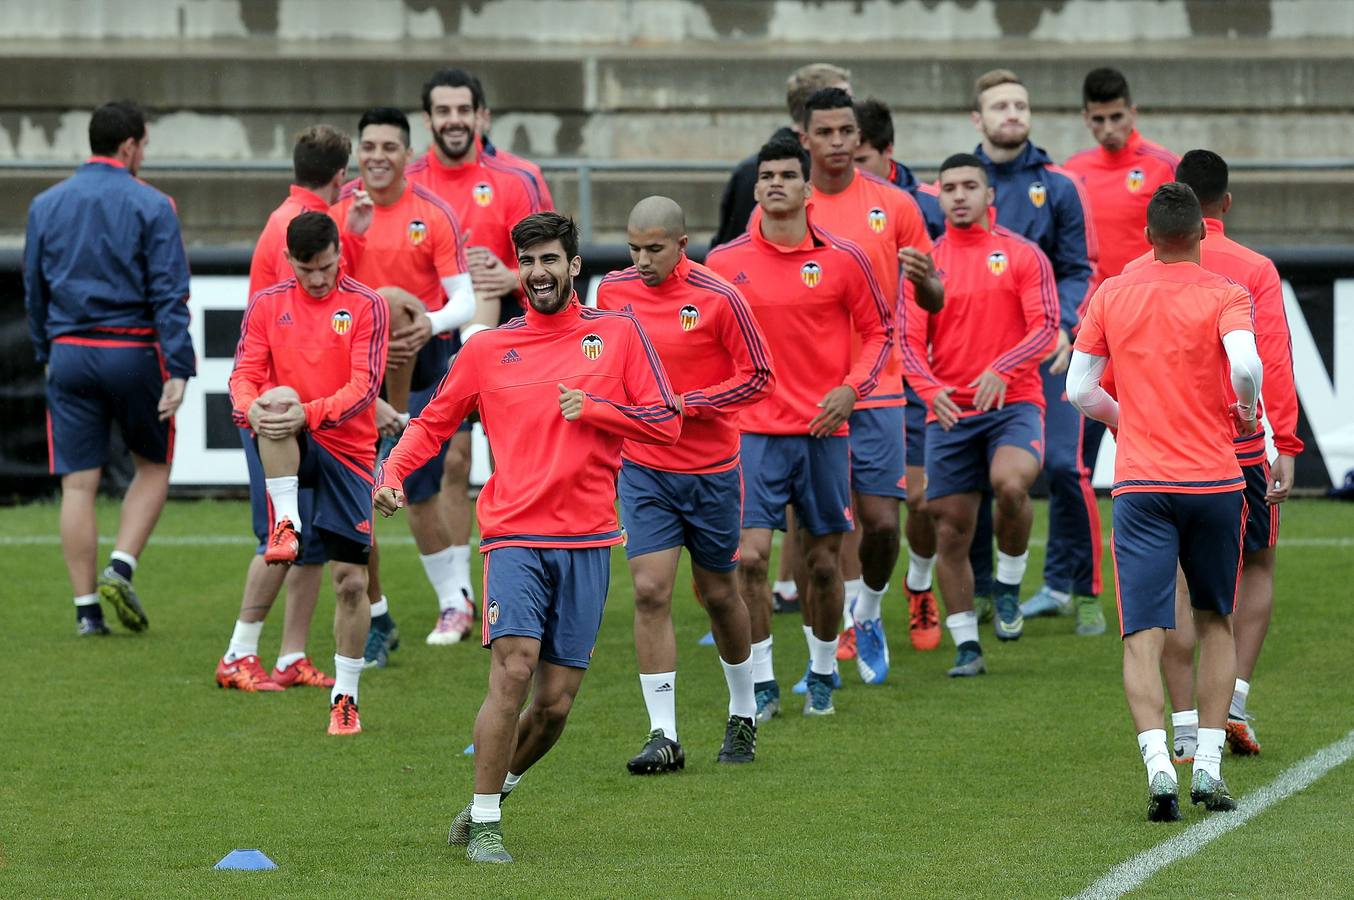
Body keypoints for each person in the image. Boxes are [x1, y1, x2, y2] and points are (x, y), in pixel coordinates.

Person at [376, 212, 679, 863]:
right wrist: (393, 470)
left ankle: (496, 789)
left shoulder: (618, 336)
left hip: (589, 541)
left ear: (574, 267)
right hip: (512, 533)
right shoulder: (486, 349)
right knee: (512, 667)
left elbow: (665, 424)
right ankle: (486, 825)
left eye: (549, 260)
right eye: (528, 262)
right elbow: (431, 424)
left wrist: (596, 409)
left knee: (554, 708)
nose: (538, 273)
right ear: (517, 271)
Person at [1068, 181, 1260, 821]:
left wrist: (1124, 419)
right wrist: (1245, 409)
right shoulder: (1226, 293)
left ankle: (1159, 768)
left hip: (1142, 482)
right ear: (1203, 234)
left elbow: (1078, 390)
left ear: (1147, 238)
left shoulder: (1113, 293)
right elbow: (1246, 366)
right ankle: (1208, 765)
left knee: (1141, 633)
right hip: (1213, 479)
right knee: (1214, 621)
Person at [705, 135, 892, 719]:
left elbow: (880, 334)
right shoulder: (723, 263)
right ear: (756, 188)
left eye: (788, 174)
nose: (776, 183)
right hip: (752, 435)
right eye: (767, 176)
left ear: (808, 190)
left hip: (821, 433)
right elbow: (705, 343)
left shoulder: (843, 258)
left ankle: (819, 671)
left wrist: (851, 388)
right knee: (752, 560)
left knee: (821, 563)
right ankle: (761, 681)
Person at [1127, 151, 1302, 761]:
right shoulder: (1252, 269)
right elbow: (1268, 360)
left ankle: (1179, 723)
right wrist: (1283, 441)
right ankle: (1231, 703)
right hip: (1237, 443)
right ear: (1222, 206)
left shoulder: (1131, 273)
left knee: (1175, 581)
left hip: (1157, 447)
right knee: (1255, 565)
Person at [597, 196, 775, 772]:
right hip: (645, 468)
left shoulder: (720, 297)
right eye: (633, 248)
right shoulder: (613, 294)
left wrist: (690, 404)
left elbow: (759, 378)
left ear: (683, 243)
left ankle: (743, 713)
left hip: (712, 472)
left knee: (721, 594)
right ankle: (663, 735)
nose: (641, 260)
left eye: (654, 249)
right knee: (650, 591)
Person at [24, 100, 194, 636]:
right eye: (144, 145)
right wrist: (179, 367)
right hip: (133, 351)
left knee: (78, 483)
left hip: (69, 351)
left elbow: (34, 288)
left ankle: (85, 612)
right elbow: (170, 293)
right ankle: (120, 567)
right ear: (129, 147)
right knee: (154, 466)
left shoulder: (45, 204)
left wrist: (45, 350)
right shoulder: (153, 204)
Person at [216, 124, 375, 692]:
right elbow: (301, 323)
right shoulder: (296, 231)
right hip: (282, 418)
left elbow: (333, 302)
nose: (317, 275)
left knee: (304, 546)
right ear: (338, 175)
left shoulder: (301, 222)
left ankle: (290, 656)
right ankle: (239, 652)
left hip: (312, 414)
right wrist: (257, 410)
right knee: (279, 544)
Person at [795, 87, 943, 685]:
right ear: (805, 138)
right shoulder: (787, 208)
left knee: (882, 522)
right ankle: (819, 662)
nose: (836, 142)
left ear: (860, 138)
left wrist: (927, 279)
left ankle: (871, 611)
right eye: (824, 132)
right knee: (818, 533)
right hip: (809, 393)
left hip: (879, 384)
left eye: (845, 132)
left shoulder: (894, 205)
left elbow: (933, 297)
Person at [1021, 68, 1179, 625]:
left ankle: (1172, 585)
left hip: (1148, 339)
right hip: (1090, 337)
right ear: (1086, 119)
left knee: (1159, 466)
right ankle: (1062, 584)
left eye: (1118, 117)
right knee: (1070, 467)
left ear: (1132, 113)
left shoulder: (1163, 167)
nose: (1109, 127)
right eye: (1099, 118)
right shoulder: (1071, 175)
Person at [228, 211, 390, 734]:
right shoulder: (268, 304)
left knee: (350, 581)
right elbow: (244, 375)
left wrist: (310, 413)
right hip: (291, 437)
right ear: (289, 261)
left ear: (339, 253)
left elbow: (366, 386)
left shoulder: (366, 305)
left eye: (324, 267)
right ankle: (288, 522)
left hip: (347, 447)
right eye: (306, 269)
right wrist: (247, 408)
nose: (317, 279)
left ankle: (346, 697)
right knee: (273, 399)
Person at [900, 154, 1058, 677]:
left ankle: (1010, 585)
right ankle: (967, 645)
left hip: (1012, 403)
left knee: (1011, 485)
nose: (960, 195)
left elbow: (1045, 327)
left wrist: (1003, 367)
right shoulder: (926, 263)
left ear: (990, 196)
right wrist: (929, 389)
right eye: (950, 188)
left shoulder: (1022, 254)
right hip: (949, 411)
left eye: (971, 185)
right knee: (949, 528)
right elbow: (907, 340)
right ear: (938, 198)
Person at [331, 107, 483, 650]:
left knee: (416, 488)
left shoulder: (432, 213)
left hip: (422, 362)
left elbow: (463, 298)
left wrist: (426, 326)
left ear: (405, 152)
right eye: (368, 146)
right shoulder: (341, 212)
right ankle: (376, 616)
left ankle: (454, 603)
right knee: (353, 494)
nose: (377, 157)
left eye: (388, 147)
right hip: (353, 370)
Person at [968, 68, 1102, 639]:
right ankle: (977, 589)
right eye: (1000, 106)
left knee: (1062, 467)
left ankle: (1080, 588)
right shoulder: (958, 183)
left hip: (1048, 353)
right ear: (978, 118)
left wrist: (1066, 325)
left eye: (1020, 104)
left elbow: (1079, 268)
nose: (1012, 114)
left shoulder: (1060, 185)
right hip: (974, 354)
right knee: (971, 475)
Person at [851, 98, 945, 650]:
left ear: (887, 153)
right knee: (857, 512)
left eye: (861, 156)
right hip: (867, 377)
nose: (849, 167)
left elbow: (946, 289)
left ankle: (921, 585)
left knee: (923, 503)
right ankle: (856, 615)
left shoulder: (923, 206)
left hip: (923, 373)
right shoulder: (820, 204)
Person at [710, 63, 851, 248]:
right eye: (844, 100)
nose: (853, 110)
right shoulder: (754, 172)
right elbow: (735, 244)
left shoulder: (842, 168)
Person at [852, 97, 945, 240]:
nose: (853, 169)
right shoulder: (820, 203)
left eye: (861, 160)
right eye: (846, 159)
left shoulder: (934, 203)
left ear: (888, 150)